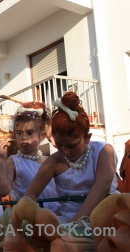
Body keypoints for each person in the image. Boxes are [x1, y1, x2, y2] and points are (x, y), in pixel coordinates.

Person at [25, 92, 119, 222]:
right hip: (68, 221)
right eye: (59, 145)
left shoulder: (103, 151)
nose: (65, 151)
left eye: (71, 145)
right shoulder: (53, 161)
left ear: (87, 138)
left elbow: (102, 186)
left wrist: (75, 223)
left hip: (107, 218)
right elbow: (30, 196)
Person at [0, 102, 60, 214]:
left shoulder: (50, 160)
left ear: (42, 136)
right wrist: (1, 159)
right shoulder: (14, 161)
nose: (24, 138)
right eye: (19, 133)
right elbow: (2, 190)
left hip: (57, 215)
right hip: (30, 217)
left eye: (30, 133)